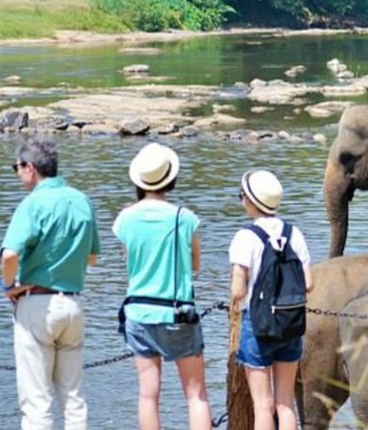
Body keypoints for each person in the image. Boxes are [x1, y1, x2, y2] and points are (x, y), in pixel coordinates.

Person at [2, 138, 100, 430]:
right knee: (73, 398)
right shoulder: (82, 200)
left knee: (36, 401)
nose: (17, 173)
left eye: (17, 167)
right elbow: (92, 257)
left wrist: (8, 287)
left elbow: (9, 254)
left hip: (36, 304)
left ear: (30, 168)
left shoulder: (32, 203)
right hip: (72, 304)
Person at [113, 142, 211, 430]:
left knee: (148, 395)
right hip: (177, 315)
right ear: (171, 179)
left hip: (138, 313)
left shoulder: (125, 219)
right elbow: (195, 264)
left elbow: (129, 259)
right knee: (196, 395)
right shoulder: (184, 217)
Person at [229, 169, 314, 430]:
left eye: (241, 195)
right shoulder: (294, 233)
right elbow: (308, 283)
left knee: (262, 404)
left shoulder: (246, 237)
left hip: (258, 326)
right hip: (290, 324)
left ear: (251, 201)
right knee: (285, 403)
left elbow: (238, 290)